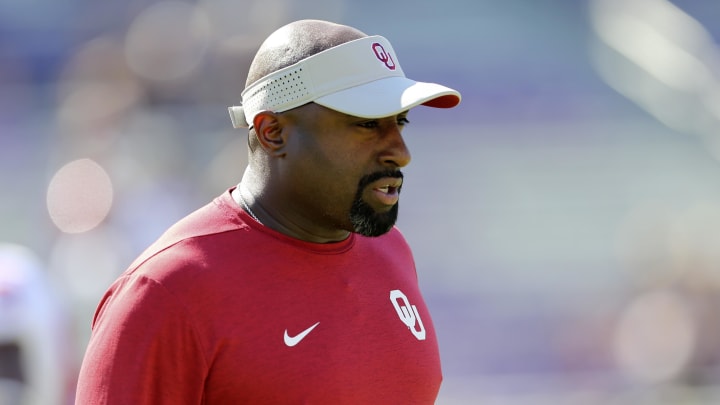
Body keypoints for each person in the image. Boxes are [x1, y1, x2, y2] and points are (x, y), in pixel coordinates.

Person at [75, 19, 461, 404]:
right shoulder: (166, 290)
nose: (401, 152)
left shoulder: (391, 251)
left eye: (400, 123)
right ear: (272, 131)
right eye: (365, 124)